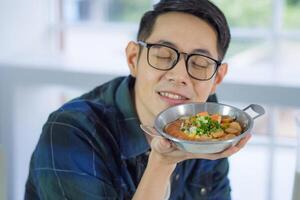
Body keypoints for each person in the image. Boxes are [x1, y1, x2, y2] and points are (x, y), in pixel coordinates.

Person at [25, 0, 251, 199]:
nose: (180, 76)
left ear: (216, 78)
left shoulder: (209, 124)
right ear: (134, 59)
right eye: (163, 55)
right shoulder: (71, 131)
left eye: (200, 64)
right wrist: (162, 163)